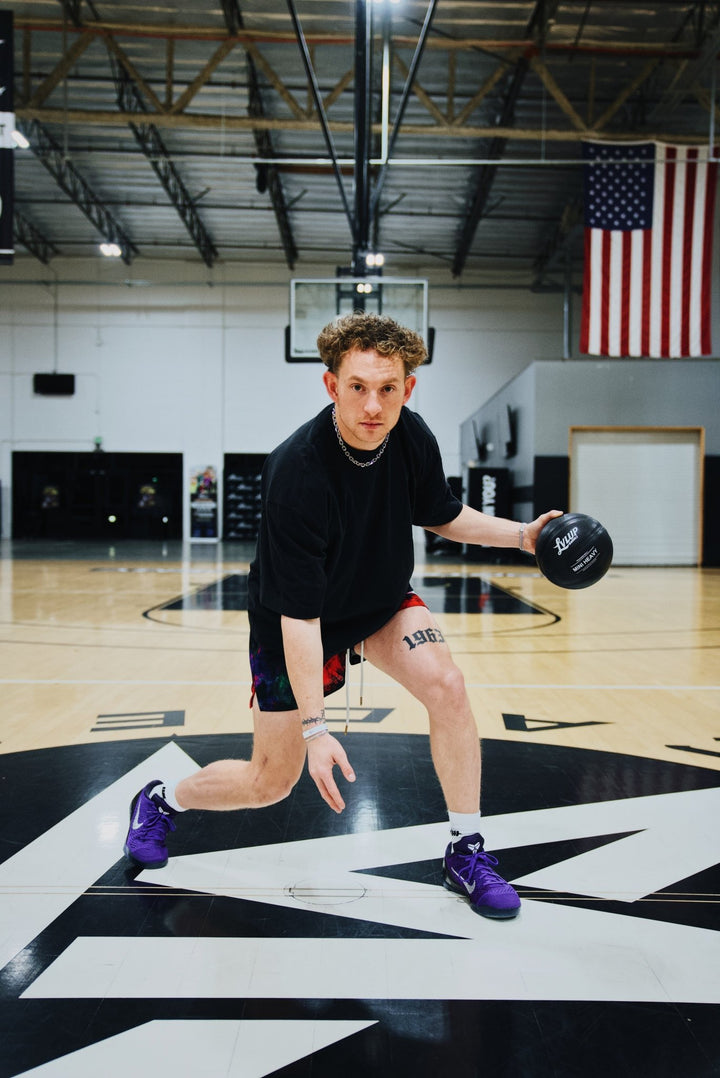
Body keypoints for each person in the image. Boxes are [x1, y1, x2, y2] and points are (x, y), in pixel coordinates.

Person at [124, 312, 562, 920]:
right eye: (358, 387)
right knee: (270, 782)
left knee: (449, 685)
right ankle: (162, 799)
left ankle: (465, 848)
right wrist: (315, 728)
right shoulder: (296, 471)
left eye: (388, 389)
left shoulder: (411, 435)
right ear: (332, 386)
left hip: (378, 603)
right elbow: (301, 620)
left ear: (408, 388)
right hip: (296, 622)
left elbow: (440, 511)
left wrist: (522, 537)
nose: (373, 405)